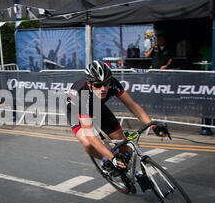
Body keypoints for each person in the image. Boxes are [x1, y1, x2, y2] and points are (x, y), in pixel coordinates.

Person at [66, 60, 169, 193]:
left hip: (97, 107)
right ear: (89, 84)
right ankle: (105, 161)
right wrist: (111, 158)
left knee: (121, 140)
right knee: (87, 142)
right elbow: (91, 136)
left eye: (106, 84)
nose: (103, 89)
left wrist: (153, 126)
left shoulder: (113, 83)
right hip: (76, 110)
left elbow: (133, 106)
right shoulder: (82, 94)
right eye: (98, 85)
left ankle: (133, 172)